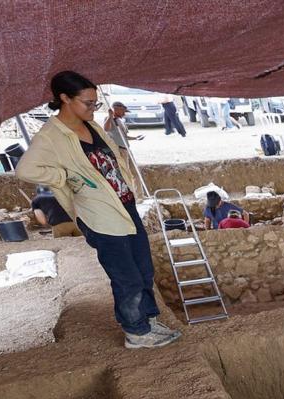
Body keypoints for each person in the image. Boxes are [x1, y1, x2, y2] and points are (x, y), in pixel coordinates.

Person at [16, 70, 179, 349]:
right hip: (98, 214)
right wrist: (64, 177)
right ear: (65, 98)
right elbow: (25, 169)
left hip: (124, 204)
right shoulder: (52, 135)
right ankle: (136, 332)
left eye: (95, 103)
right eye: (87, 103)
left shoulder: (92, 126)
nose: (93, 108)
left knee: (143, 269)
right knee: (124, 274)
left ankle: (148, 320)